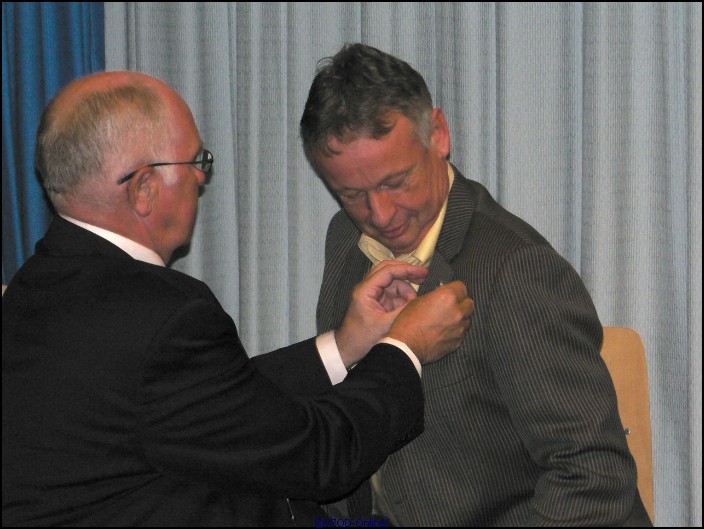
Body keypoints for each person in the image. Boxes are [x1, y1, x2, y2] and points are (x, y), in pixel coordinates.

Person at [1, 70, 475, 527]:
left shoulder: (31, 290)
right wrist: (405, 347)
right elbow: (320, 458)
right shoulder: (162, 313)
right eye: (196, 161)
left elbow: (215, 404)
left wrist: (345, 345)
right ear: (145, 189)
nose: (201, 179)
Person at [300, 43, 652, 526]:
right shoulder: (345, 238)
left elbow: (594, 474)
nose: (379, 215)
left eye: (396, 182)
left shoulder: (515, 269)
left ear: (438, 135)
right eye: (352, 194)